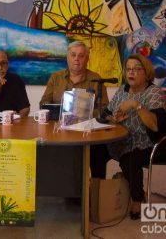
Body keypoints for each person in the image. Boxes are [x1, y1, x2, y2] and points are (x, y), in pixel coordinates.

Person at [90, 53, 166, 219]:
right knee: (95, 150)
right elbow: (107, 114)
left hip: (148, 142)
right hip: (121, 140)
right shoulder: (123, 89)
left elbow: (155, 125)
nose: (131, 73)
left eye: (136, 69)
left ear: (146, 72)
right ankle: (98, 191)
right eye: (128, 69)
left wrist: (135, 105)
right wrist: (114, 118)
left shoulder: (154, 93)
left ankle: (137, 199)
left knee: (130, 159)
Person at [39, 41, 109, 116]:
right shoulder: (56, 77)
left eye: (81, 56)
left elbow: (104, 108)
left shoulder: (96, 79)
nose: (76, 59)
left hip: (86, 125)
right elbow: (43, 104)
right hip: (57, 124)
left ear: (87, 59)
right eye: (73, 55)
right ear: (67, 57)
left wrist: (83, 114)